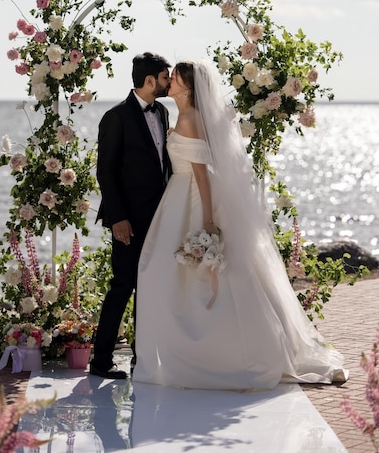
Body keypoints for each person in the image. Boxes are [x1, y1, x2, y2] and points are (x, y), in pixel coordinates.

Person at [133, 59, 348, 390]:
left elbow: (201, 174)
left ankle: (223, 350)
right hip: (177, 196)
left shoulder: (190, 120)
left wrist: (207, 220)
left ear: (188, 87)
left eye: (173, 79)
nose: (168, 83)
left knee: (193, 272)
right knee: (172, 272)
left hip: (191, 197)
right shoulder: (179, 115)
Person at [90, 52, 172, 379]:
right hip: (129, 222)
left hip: (160, 218)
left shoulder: (163, 112)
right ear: (149, 80)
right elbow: (105, 172)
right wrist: (118, 218)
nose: (168, 83)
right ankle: (101, 361)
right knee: (122, 286)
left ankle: (143, 361)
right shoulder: (116, 117)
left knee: (150, 288)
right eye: (165, 77)